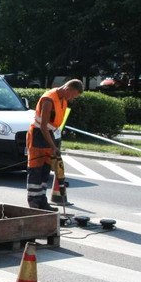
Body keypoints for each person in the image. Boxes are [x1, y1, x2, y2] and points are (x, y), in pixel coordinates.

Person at [26, 79, 83, 210]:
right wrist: (53, 146)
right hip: (38, 136)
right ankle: (33, 201)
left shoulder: (63, 99)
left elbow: (55, 125)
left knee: (45, 170)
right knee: (36, 169)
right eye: (73, 95)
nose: (72, 99)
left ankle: (42, 200)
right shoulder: (48, 99)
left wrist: (55, 144)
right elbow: (44, 127)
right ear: (68, 88)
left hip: (50, 137)